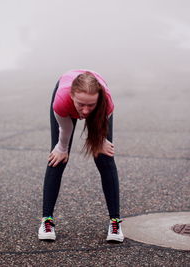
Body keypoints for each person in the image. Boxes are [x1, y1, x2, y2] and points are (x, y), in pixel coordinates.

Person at [38, 69, 123, 242]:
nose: (84, 111)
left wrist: (100, 139)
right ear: (72, 96)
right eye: (81, 105)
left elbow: (99, 131)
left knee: (104, 158)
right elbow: (65, 131)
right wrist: (62, 148)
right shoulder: (61, 102)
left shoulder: (106, 102)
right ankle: (47, 220)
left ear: (98, 99)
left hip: (99, 107)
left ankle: (115, 222)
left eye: (90, 105)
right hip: (65, 104)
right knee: (58, 157)